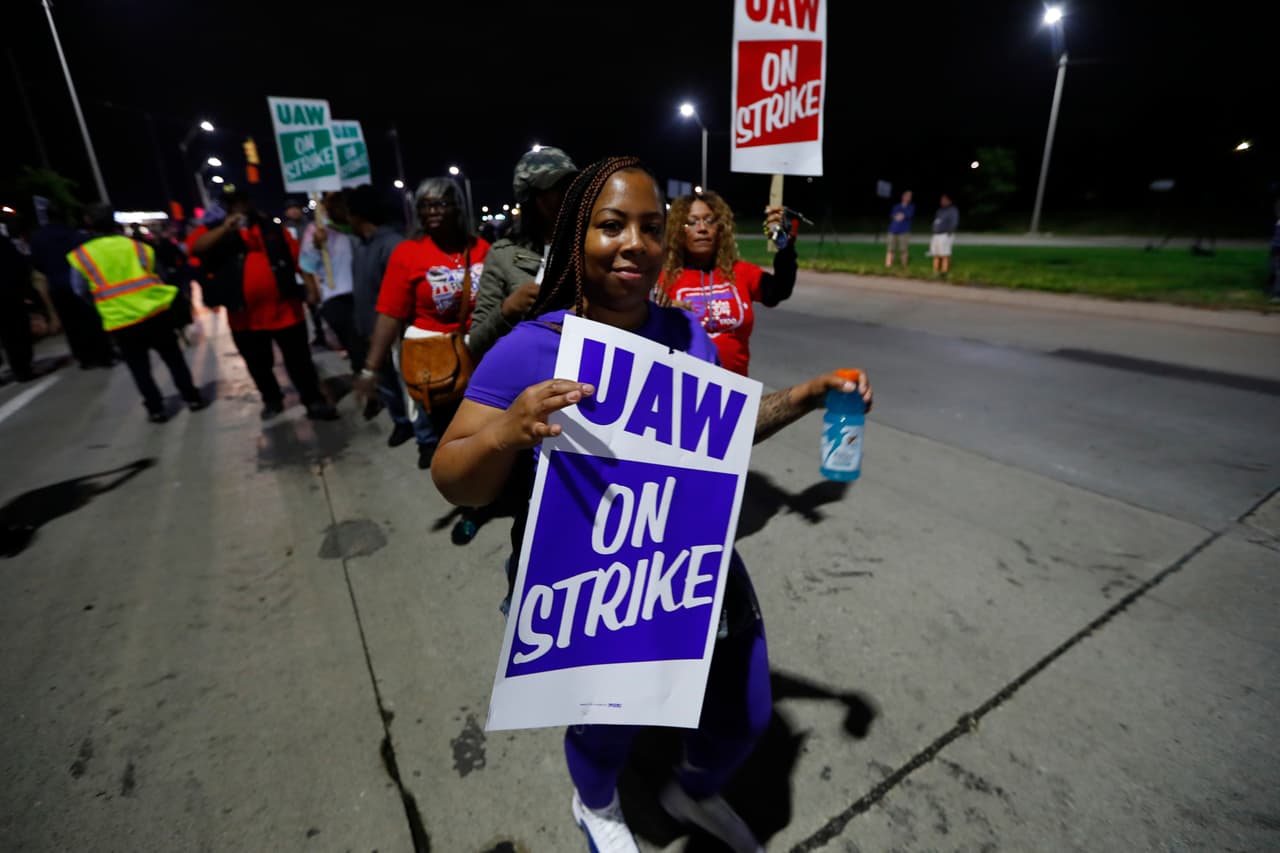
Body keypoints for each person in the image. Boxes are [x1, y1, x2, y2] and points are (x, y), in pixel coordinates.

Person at [431, 156, 873, 853]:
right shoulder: (530, 348)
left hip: (689, 559)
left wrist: (807, 394)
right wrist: (506, 430)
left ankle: (690, 789)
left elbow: (722, 428)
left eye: (647, 226)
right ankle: (598, 802)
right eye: (611, 225)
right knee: (607, 722)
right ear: (577, 236)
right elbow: (453, 475)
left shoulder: (685, 333)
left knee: (744, 712)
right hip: (590, 576)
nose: (634, 241)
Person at [355, 177, 490, 472]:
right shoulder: (408, 254)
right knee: (451, 434)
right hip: (435, 360)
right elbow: (390, 312)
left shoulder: (482, 248)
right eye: (425, 206)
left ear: (458, 206)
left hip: (480, 352)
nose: (431, 211)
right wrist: (370, 369)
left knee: (483, 427)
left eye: (440, 203)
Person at [187, 191, 338, 421]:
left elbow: (297, 259)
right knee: (258, 363)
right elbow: (196, 248)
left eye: (242, 201)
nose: (239, 207)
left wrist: (311, 288)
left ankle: (313, 400)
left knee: (299, 361)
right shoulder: (214, 230)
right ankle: (272, 399)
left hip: (286, 310)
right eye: (233, 204)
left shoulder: (271, 227)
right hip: (244, 317)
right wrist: (225, 229)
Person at [66, 204, 206, 422]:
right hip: (154, 313)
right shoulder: (139, 247)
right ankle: (192, 398)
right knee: (174, 359)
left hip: (121, 320)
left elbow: (79, 290)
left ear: (89, 223)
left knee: (140, 369)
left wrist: (103, 305)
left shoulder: (82, 256)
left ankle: (156, 409)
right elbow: (159, 275)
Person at [655, 190, 796, 377]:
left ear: (720, 228)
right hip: (683, 391)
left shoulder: (740, 272)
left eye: (709, 220)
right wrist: (664, 309)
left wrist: (784, 245)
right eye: (692, 221)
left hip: (735, 392)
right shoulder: (664, 278)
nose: (702, 228)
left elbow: (778, 291)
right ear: (679, 230)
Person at [470, 146, 579, 360]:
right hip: (525, 375)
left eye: (570, 185)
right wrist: (508, 309)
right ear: (532, 198)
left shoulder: (590, 245)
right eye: (555, 187)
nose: (567, 194)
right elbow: (476, 343)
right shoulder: (503, 255)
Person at [345, 184, 420, 438]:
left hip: (394, 333)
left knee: (407, 384)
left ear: (358, 216)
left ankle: (423, 435)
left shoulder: (393, 246)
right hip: (371, 331)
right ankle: (401, 422)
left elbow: (401, 298)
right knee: (387, 382)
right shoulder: (362, 246)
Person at [28, 202, 117, 369]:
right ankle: (105, 355)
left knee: (71, 326)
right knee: (92, 321)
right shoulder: (75, 235)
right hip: (81, 284)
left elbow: (38, 265)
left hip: (58, 288)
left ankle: (84, 359)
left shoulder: (38, 238)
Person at [299, 191, 361, 372]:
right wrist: (315, 245)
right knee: (357, 349)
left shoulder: (357, 226)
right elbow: (306, 265)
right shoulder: (317, 231)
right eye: (332, 204)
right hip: (337, 300)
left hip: (365, 296)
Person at [282, 197, 330, 349]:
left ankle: (321, 334)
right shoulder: (284, 229)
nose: (294, 211)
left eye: (296, 207)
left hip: (312, 270)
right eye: (291, 208)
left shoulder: (310, 225)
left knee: (316, 304)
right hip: (295, 274)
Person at [930, 193, 959, 276]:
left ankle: (944, 272)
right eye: (941, 200)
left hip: (945, 234)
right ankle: (935, 272)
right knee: (936, 254)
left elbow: (954, 222)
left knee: (945, 254)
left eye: (944, 200)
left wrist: (949, 232)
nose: (942, 201)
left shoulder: (953, 210)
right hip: (936, 234)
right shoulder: (940, 210)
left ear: (949, 201)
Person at [885, 189, 914, 268]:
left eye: (909, 196)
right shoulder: (896, 206)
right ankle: (888, 265)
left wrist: (902, 214)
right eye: (906, 195)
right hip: (893, 230)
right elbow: (894, 215)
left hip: (904, 231)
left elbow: (908, 215)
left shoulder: (911, 207)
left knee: (903, 249)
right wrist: (900, 215)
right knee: (890, 249)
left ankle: (904, 266)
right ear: (903, 196)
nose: (907, 197)